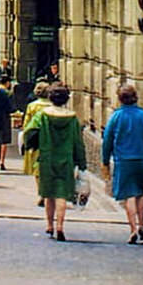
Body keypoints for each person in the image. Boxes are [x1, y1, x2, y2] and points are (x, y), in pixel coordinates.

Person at [101, 84, 143, 244]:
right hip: (142, 159)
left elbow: (107, 140)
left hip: (124, 160)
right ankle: (142, 225)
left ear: (120, 98)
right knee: (140, 193)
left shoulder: (116, 117)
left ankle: (133, 228)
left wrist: (105, 161)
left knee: (129, 195)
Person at [24, 83, 86, 241]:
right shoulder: (72, 118)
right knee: (62, 194)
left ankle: (49, 225)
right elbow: (78, 142)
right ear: (66, 99)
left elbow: (30, 132)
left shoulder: (43, 115)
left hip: (47, 157)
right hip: (66, 159)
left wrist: (31, 145)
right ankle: (60, 226)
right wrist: (81, 161)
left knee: (48, 193)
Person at [22, 82, 51, 205]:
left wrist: (25, 140)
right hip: (50, 139)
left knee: (37, 169)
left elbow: (27, 125)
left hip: (36, 140)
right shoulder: (53, 106)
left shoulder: (32, 106)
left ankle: (41, 192)